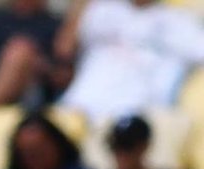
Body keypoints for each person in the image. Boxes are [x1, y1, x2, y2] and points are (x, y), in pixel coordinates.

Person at [57, 0, 204, 124]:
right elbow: (64, 48)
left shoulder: (176, 21)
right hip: (79, 108)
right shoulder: (103, 9)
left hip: (136, 115)